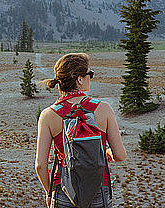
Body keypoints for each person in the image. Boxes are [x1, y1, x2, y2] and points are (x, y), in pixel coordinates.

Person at [35, 53, 126, 208]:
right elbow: (120, 155)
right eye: (89, 74)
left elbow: (40, 165)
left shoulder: (48, 115)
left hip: (63, 189)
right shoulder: (103, 109)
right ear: (79, 79)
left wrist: (49, 193)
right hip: (99, 189)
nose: (91, 77)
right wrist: (106, 153)